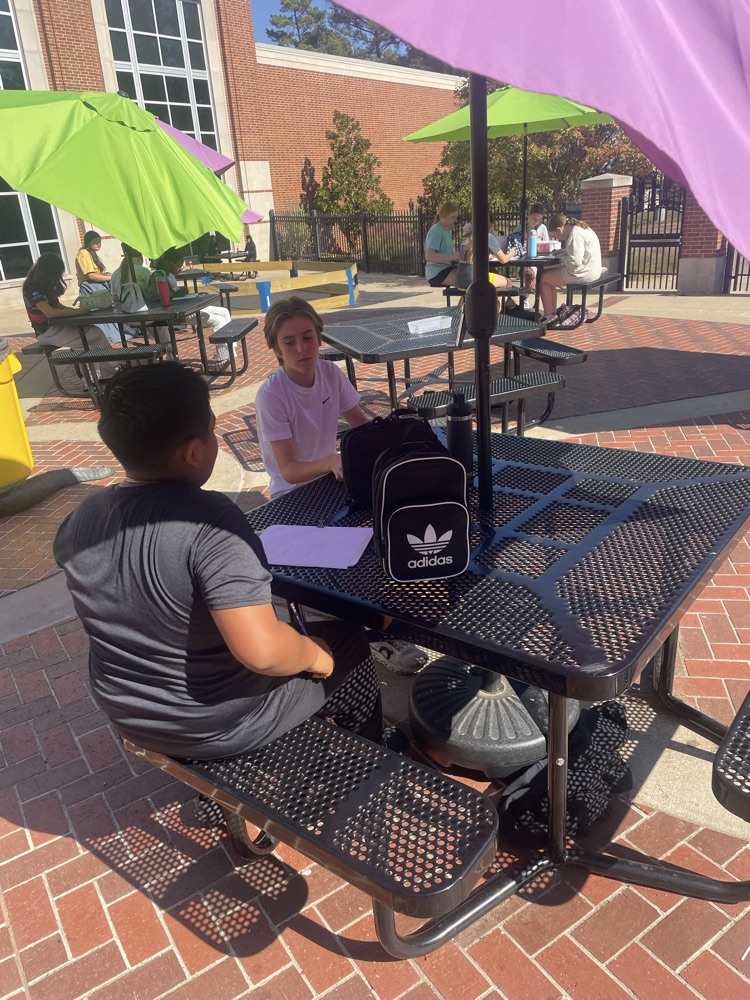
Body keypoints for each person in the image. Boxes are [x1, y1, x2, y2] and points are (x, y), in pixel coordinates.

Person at [53, 362, 393, 760]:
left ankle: (212, 797)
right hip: (218, 724)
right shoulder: (209, 521)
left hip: (128, 712)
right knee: (346, 643)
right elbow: (263, 652)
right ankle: (370, 758)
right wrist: (315, 655)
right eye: (213, 432)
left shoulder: (78, 521)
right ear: (194, 452)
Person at [255, 296, 428, 675]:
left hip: (332, 482)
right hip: (293, 496)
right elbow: (288, 469)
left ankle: (381, 624)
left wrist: (393, 443)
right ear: (275, 349)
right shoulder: (272, 395)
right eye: (290, 341)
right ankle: (364, 636)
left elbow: (362, 427)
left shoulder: (331, 375)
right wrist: (334, 461)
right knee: (343, 564)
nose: (302, 348)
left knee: (384, 533)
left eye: (308, 337)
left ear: (319, 337)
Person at [22, 253, 120, 394]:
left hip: (57, 329)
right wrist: (80, 312)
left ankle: (96, 378)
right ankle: (110, 370)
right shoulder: (32, 286)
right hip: (47, 332)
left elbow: (59, 307)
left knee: (90, 338)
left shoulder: (42, 284)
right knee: (91, 337)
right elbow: (50, 312)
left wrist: (80, 310)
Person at [148, 247, 232, 361]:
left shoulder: (170, 275)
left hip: (186, 307)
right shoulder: (158, 276)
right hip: (178, 313)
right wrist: (174, 294)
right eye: (178, 266)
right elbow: (153, 296)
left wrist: (179, 293)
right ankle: (223, 357)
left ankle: (231, 353)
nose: (180, 269)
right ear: (168, 263)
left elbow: (173, 293)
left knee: (224, 312)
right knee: (219, 320)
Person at [539, 214, 603, 320]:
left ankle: (549, 315)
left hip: (583, 273)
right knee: (549, 275)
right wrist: (563, 252)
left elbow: (574, 263)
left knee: (543, 278)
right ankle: (552, 313)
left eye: (554, 235)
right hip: (593, 270)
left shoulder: (575, 235)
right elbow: (580, 252)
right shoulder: (582, 228)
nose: (556, 238)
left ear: (559, 230)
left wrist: (561, 256)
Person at [424, 202, 460, 287]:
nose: (456, 220)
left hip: (444, 269)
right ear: (444, 215)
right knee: (469, 280)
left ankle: (465, 301)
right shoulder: (437, 230)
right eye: (453, 217)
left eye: (456, 217)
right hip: (437, 273)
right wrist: (454, 256)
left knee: (471, 279)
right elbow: (429, 256)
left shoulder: (445, 230)